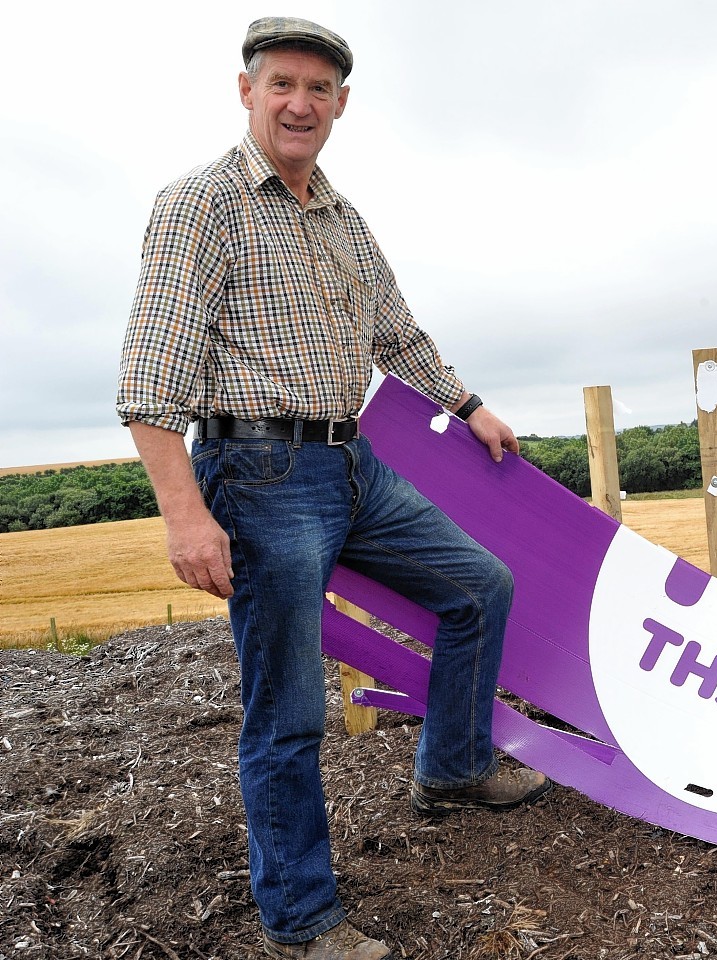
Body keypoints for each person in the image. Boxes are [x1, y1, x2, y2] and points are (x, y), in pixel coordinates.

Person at [115, 17, 551, 960]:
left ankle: (452, 771)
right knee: (289, 709)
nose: (300, 104)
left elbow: (397, 333)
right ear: (246, 91)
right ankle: (302, 919)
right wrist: (185, 514)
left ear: (342, 105)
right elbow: (151, 378)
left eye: (319, 90)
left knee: (480, 586)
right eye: (282, 85)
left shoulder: (343, 216)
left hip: (351, 464)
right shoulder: (202, 204)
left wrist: (469, 404)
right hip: (259, 473)